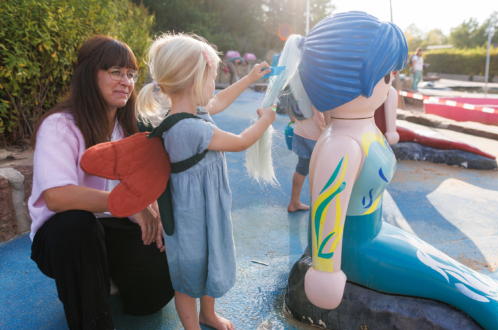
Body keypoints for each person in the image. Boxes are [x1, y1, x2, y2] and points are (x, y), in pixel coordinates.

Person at [28, 35, 174, 330]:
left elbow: (145, 180)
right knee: (77, 226)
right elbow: (57, 197)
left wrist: (152, 210)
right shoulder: (60, 125)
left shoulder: (128, 126)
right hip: (64, 237)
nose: (127, 81)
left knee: (152, 295)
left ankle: (104, 274)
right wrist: (130, 204)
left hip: (112, 226)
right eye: (115, 72)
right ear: (89, 73)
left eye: (131, 74)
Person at [135, 33, 274, 330]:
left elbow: (219, 100)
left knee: (210, 261)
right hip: (190, 217)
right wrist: (265, 120)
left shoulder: (192, 114)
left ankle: (207, 314)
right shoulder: (189, 129)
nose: (214, 86)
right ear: (195, 80)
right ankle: (193, 326)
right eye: (212, 78)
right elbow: (239, 142)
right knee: (188, 274)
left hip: (206, 209)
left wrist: (249, 78)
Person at [287, 105, 330, 212]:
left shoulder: (298, 87)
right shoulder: (320, 87)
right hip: (316, 134)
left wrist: (293, 120)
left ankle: (294, 202)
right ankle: (321, 207)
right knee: (323, 170)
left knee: (302, 167)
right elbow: (326, 109)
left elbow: (288, 101)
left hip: (300, 131)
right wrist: (330, 132)